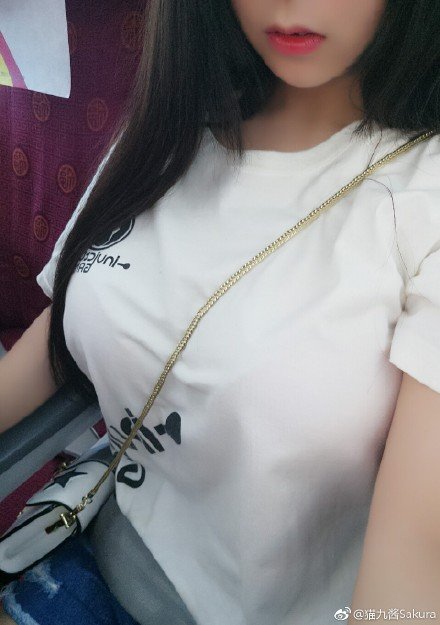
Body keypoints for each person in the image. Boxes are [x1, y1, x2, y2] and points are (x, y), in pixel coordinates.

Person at [1, 0, 440, 624]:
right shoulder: (171, 128)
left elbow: (413, 566)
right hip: (95, 550)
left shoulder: (422, 198)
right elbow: (66, 323)